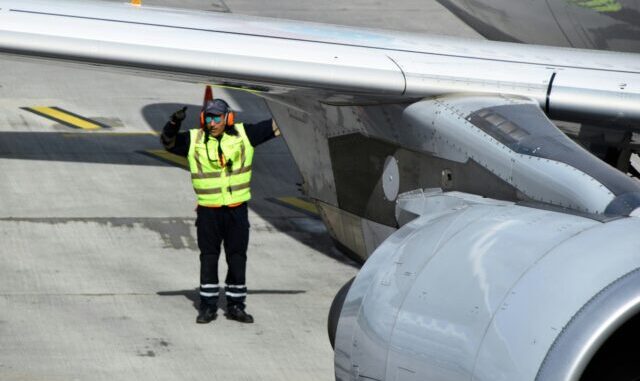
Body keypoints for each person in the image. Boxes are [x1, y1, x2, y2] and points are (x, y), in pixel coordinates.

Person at [161, 99, 279, 324]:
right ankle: (207, 306)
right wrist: (173, 123)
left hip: (237, 210)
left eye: (217, 118)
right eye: (209, 117)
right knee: (209, 258)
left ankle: (236, 305)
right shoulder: (194, 139)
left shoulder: (245, 135)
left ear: (228, 118)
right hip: (208, 211)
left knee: (237, 257)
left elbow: (278, 126)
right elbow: (167, 142)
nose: (212, 122)